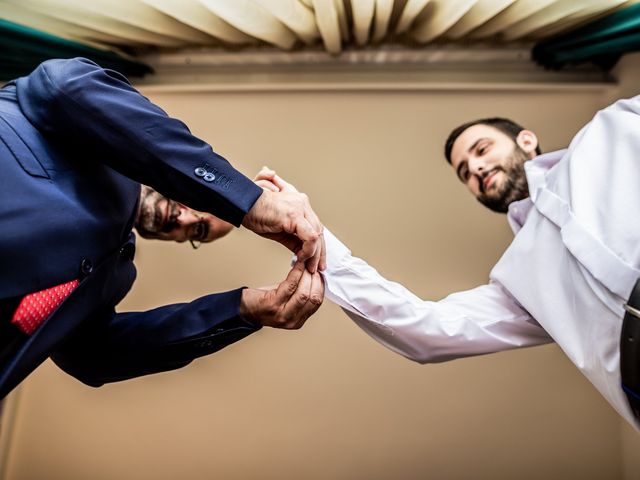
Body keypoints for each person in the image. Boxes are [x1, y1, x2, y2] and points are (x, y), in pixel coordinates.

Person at [255, 96, 640, 430]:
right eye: (463, 172)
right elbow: (427, 328)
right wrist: (312, 235)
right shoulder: (519, 281)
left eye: (482, 149)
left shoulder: (612, 129)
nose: (473, 168)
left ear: (526, 140)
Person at [0, 57, 325, 399]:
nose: (185, 220)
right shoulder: (76, 125)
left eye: (197, 232)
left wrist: (246, 309)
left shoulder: (112, 280)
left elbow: (91, 358)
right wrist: (247, 201)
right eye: (200, 206)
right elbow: (68, 86)